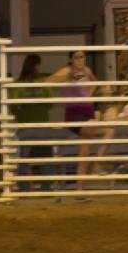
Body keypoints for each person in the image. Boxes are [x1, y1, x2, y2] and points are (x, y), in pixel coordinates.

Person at [45, 50, 106, 184]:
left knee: (84, 152)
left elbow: (96, 83)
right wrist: (67, 78)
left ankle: (79, 190)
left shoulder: (87, 71)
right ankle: (97, 165)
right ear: (71, 59)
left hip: (88, 113)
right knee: (109, 131)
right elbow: (48, 81)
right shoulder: (66, 70)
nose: (80, 60)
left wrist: (88, 95)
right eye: (77, 57)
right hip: (75, 116)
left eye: (82, 57)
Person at [8, 53, 56, 191]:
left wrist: (22, 116)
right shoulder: (43, 83)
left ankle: (24, 187)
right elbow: (50, 103)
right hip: (42, 124)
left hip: (26, 125)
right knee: (46, 156)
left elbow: (13, 106)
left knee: (24, 157)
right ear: (36, 65)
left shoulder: (18, 85)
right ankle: (46, 186)